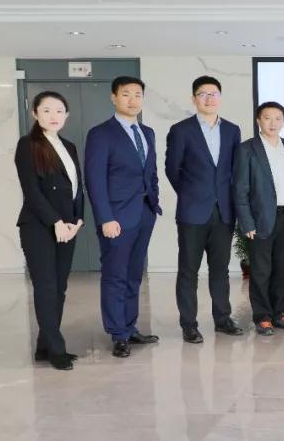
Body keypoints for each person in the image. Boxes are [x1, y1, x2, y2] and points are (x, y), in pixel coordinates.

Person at [85, 76, 162, 358]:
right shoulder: (101, 133)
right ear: (114, 98)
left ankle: (130, 327)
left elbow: (151, 172)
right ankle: (118, 333)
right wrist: (105, 217)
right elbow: (94, 180)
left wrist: (154, 201)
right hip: (116, 217)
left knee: (134, 275)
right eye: (126, 94)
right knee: (115, 275)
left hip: (144, 213)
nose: (132, 100)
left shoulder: (147, 132)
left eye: (138, 94)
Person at [165, 75, 244, 344]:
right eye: (203, 94)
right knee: (188, 270)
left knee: (220, 269)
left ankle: (223, 319)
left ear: (220, 97)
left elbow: (234, 170)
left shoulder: (232, 130)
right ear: (194, 98)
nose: (209, 99)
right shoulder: (181, 130)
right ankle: (189, 324)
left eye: (214, 94)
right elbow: (172, 169)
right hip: (192, 212)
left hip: (224, 211)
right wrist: (191, 194)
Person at [15, 91, 84, 371]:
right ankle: (57, 349)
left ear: (66, 115)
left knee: (59, 288)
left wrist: (77, 220)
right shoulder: (28, 145)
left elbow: (77, 188)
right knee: (46, 287)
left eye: (59, 111)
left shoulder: (69, 146)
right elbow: (32, 191)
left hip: (68, 226)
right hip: (39, 226)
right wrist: (56, 222)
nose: (53, 116)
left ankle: (44, 346)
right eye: (46, 110)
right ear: (35, 113)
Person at [234, 101, 284, 336]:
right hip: (260, 219)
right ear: (258, 120)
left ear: (283, 121)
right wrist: (247, 222)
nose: (273, 123)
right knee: (261, 271)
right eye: (267, 118)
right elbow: (240, 189)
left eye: (278, 118)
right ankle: (262, 317)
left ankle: (278, 313)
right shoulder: (246, 149)